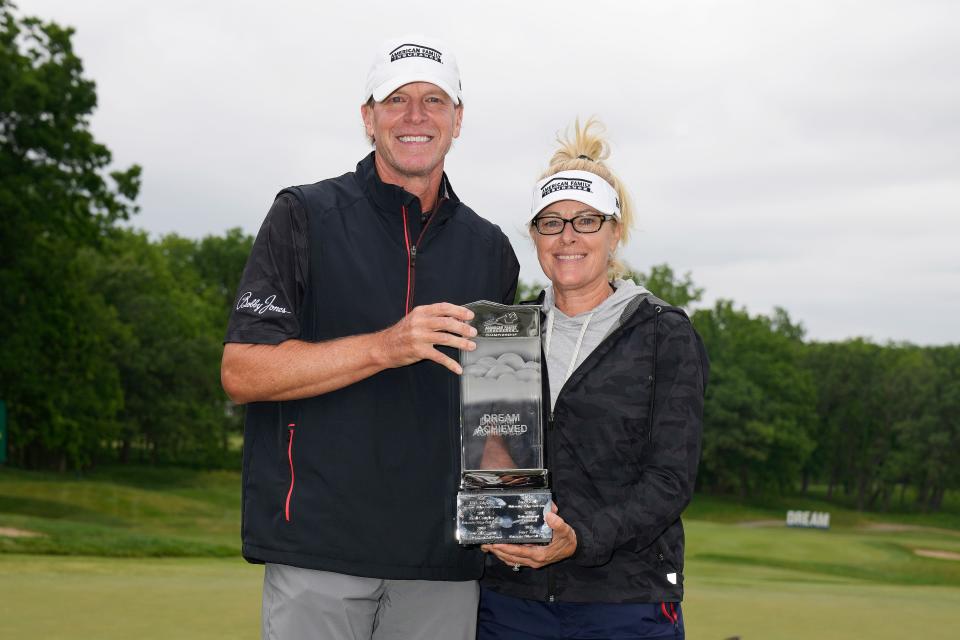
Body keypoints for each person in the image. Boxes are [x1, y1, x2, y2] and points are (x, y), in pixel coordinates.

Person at [220, 35, 519, 640]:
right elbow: (243, 371)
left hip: (441, 562)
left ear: (458, 120)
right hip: (318, 550)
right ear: (368, 118)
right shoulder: (303, 214)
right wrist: (385, 346)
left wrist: (510, 517)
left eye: (434, 101)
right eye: (396, 100)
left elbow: (498, 415)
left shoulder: (492, 252)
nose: (416, 117)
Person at [478, 118, 708, 640]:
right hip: (512, 598)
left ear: (615, 230)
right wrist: (497, 521)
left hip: (625, 599)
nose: (568, 238)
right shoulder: (503, 333)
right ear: (534, 234)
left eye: (586, 221)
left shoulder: (662, 333)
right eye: (551, 222)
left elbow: (670, 480)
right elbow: (491, 452)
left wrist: (577, 538)